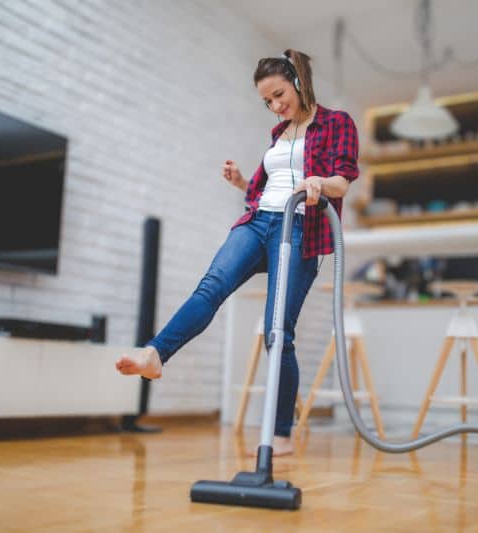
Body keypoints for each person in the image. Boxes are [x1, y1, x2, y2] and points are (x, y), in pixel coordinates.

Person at [116, 49, 359, 456]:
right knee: (212, 284)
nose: (275, 106)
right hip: (259, 220)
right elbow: (269, 187)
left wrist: (320, 181)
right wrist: (243, 182)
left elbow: (343, 180)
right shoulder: (278, 135)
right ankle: (156, 354)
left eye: (279, 95)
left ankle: (280, 433)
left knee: (277, 332)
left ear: (299, 83)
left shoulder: (337, 123)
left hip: (301, 225)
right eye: (267, 102)